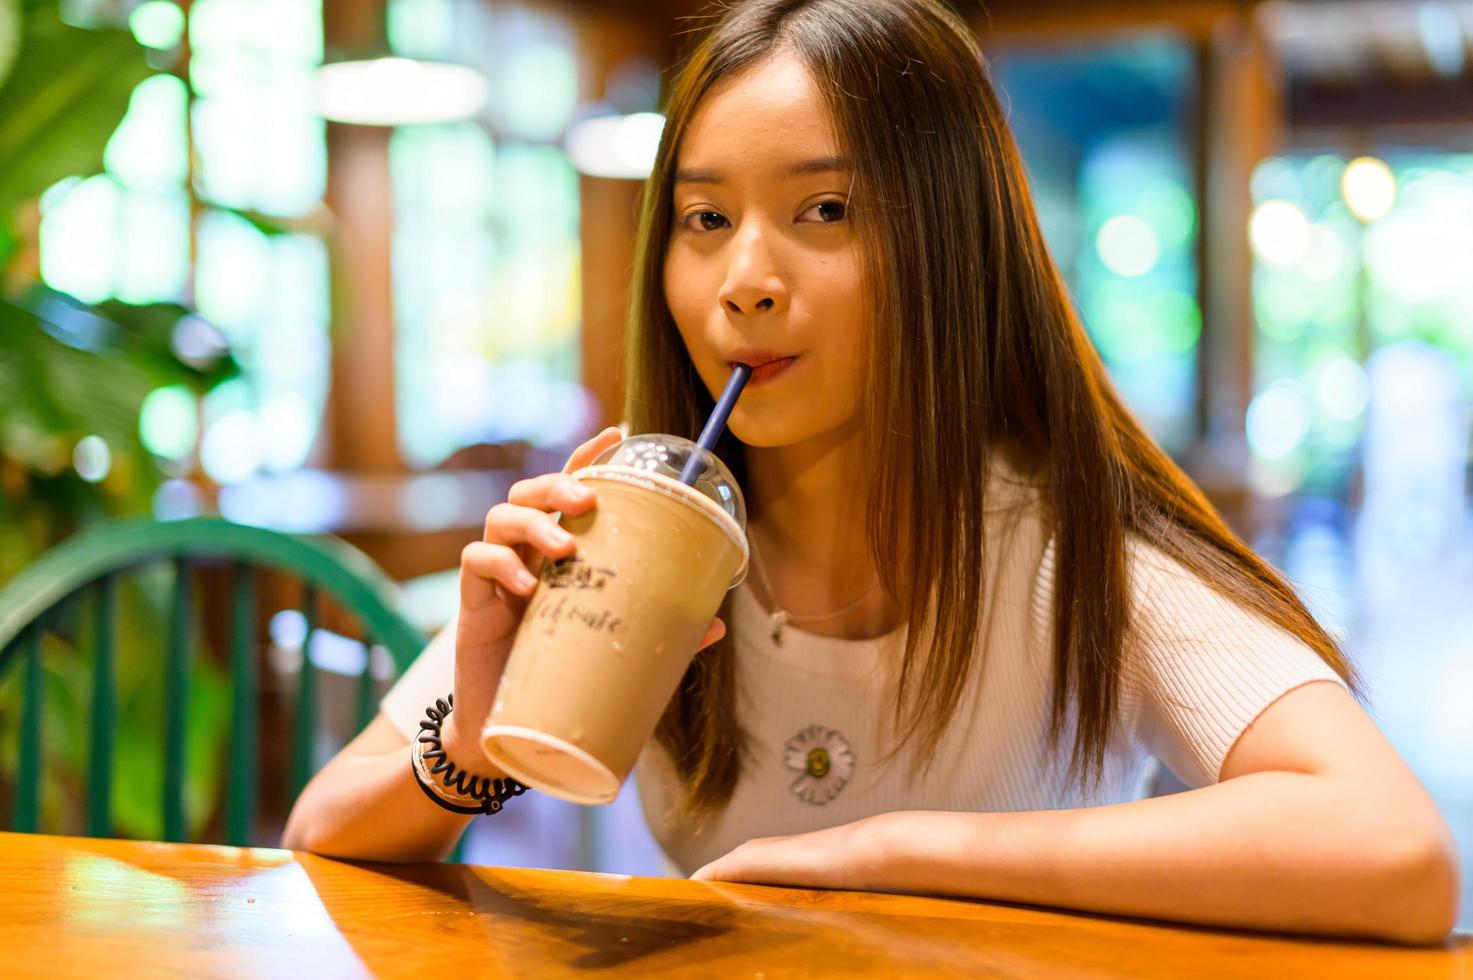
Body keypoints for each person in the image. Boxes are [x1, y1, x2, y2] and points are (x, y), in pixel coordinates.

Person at [281, 0, 1460, 943]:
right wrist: (475, 746)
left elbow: (1397, 853)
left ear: (951, 245)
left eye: (826, 208)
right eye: (704, 219)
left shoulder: (1079, 551)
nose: (744, 276)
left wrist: (891, 851)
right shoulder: (643, 526)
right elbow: (321, 833)